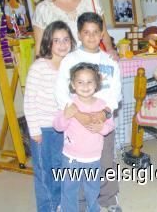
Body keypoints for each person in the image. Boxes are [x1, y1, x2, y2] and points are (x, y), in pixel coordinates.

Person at [55, 12, 122, 212]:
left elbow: (115, 93)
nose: (92, 37)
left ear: (102, 33)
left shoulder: (110, 61)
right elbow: (61, 89)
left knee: (106, 162)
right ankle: (80, 205)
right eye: (86, 32)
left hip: (102, 120)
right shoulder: (71, 59)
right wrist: (78, 114)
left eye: (96, 32)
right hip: (77, 123)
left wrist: (105, 114)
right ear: (79, 34)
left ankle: (109, 201)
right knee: (79, 167)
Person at [24, 21, 76, 212]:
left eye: (66, 39)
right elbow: (29, 101)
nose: (62, 44)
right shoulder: (39, 67)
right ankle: (47, 207)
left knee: (60, 168)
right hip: (43, 130)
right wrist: (35, 130)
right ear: (48, 43)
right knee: (44, 172)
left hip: (63, 128)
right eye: (57, 40)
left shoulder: (71, 67)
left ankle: (60, 204)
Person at [54, 62, 115, 212]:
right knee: (69, 187)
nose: (85, 86)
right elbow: (58, 126)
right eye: (80, 82)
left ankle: (93, 209)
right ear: (73, 85)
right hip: (71, 157)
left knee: (92, 188)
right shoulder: (69, 104)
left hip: (93, 158)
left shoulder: (102, 105)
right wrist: (66, 116)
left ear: (97, 84)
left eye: (90, 81)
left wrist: (102, 128)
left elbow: (110, 126)